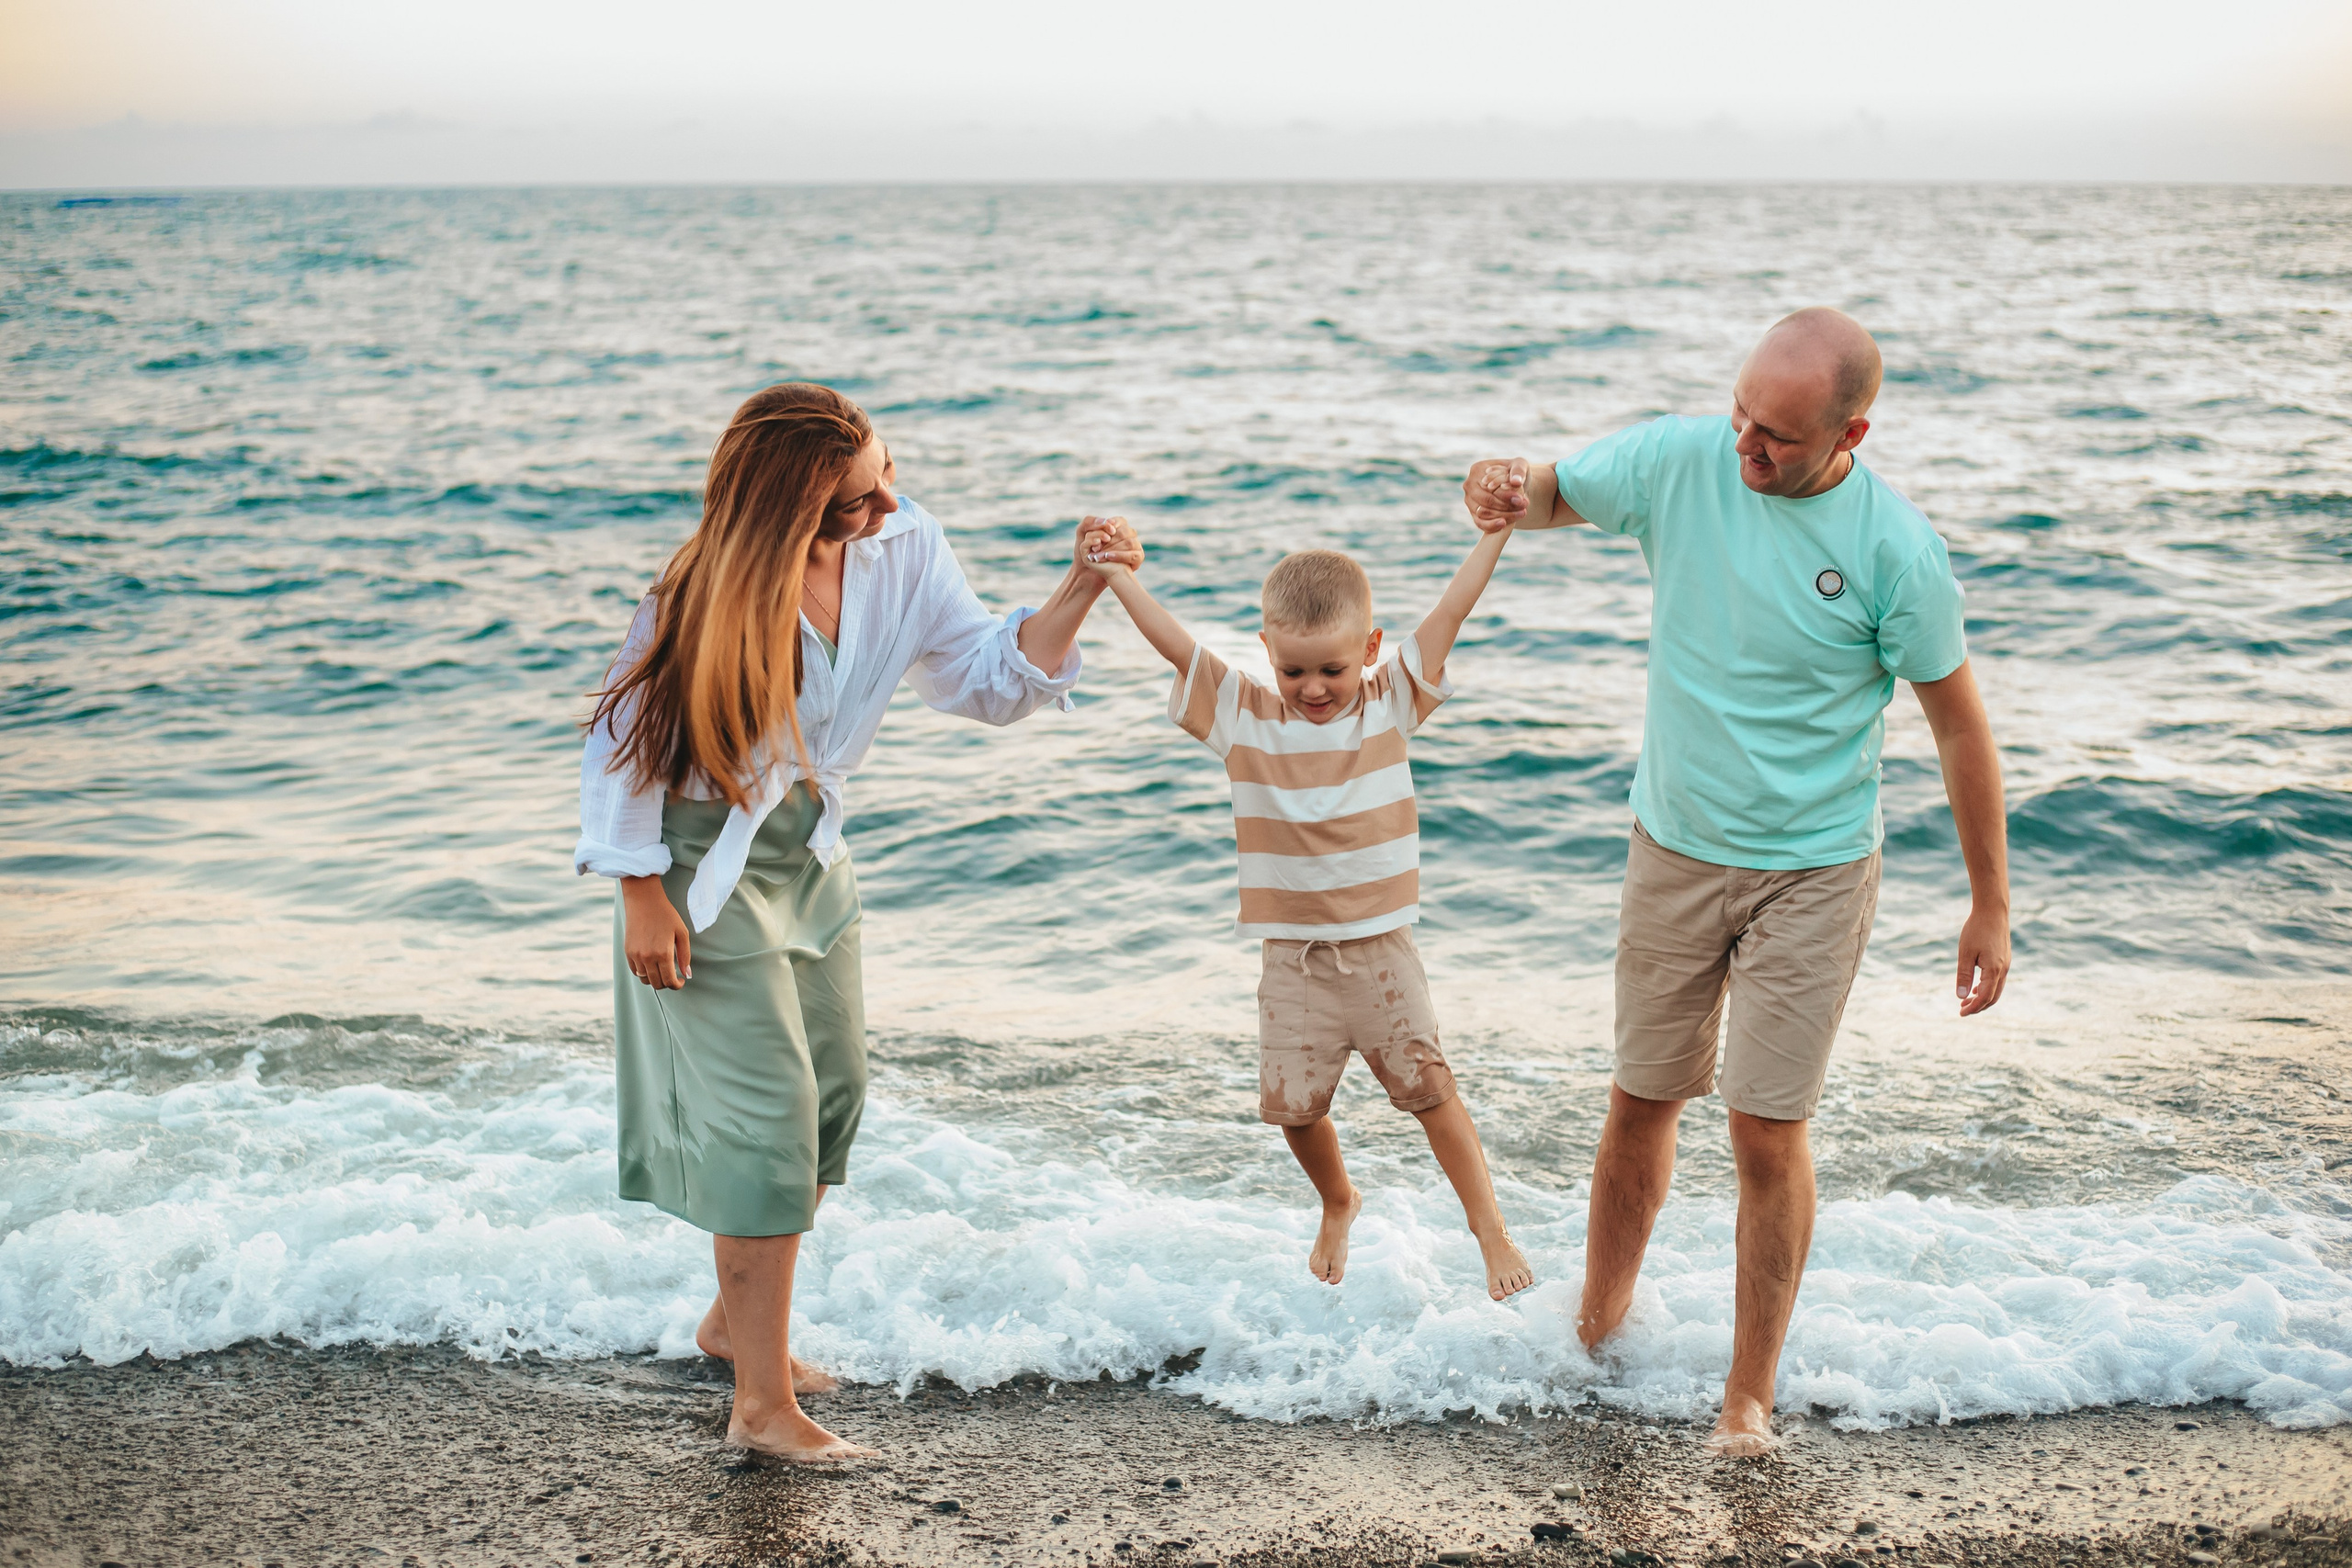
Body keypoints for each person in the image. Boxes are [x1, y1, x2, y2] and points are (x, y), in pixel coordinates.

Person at [1461, 307, 2011, 1455]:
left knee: (1765, 1129)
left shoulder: (1894, 549)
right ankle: (1594, 1336)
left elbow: (1958, 727)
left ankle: (1745, 1397)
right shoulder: (1683, 460)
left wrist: (1989, 903)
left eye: (1776, 438)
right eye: (1741, 416)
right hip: (1673, 844)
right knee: (1640, 1100)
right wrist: (1506, 484)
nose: (1746, 448)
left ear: (1850, 430)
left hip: (1811, 871)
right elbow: (1558, 491)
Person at [574, 383, 1137, 1462]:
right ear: (785, 509)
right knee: (768, 1121)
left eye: (884, 482)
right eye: (852, 504)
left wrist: (1082, 588)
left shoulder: (905, 545)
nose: (881, 511)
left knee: (833, 1103)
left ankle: (730, 1326)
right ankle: (762, 1404)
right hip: (700, 865)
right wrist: (636, 886)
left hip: (812, 857)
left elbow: (984, 679)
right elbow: (622, 743)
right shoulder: (699, 592)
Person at [1080, 517, 1535, 1301]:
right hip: (1291, 958)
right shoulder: (1244, 716)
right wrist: (1119, 575)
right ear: (1267, 652)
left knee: (1431, 1093)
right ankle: (1337, 1199)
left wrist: (1494, 535)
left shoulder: (1389, 703)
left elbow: (1452, 611)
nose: (1314, 688)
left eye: (1332, 667)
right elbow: (1177, 647)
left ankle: (1488, 1226)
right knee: (1292, 1110)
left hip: (1383, 953)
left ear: (1370, 647)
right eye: (1294, 671)